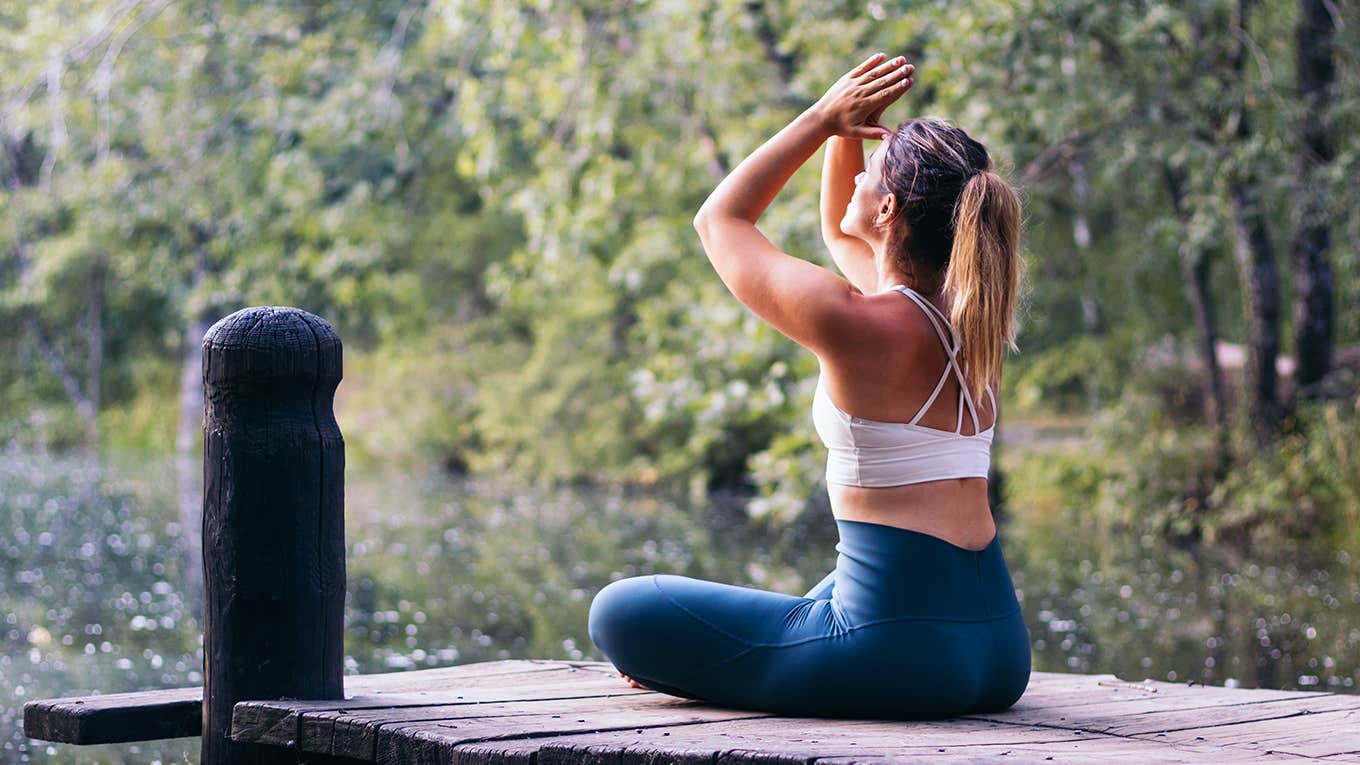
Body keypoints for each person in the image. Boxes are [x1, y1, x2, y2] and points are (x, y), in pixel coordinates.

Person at [587, 52, 1030, 720]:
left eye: (870, 172)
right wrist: (855, 128)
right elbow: (835, 229)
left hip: (900, 655)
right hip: (998, 649)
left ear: (888, 208)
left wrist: (823, 118)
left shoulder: (854, 321)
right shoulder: (970, 320)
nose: (856, 177)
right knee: (813, 603)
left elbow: (721, 220)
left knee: (618, 611)